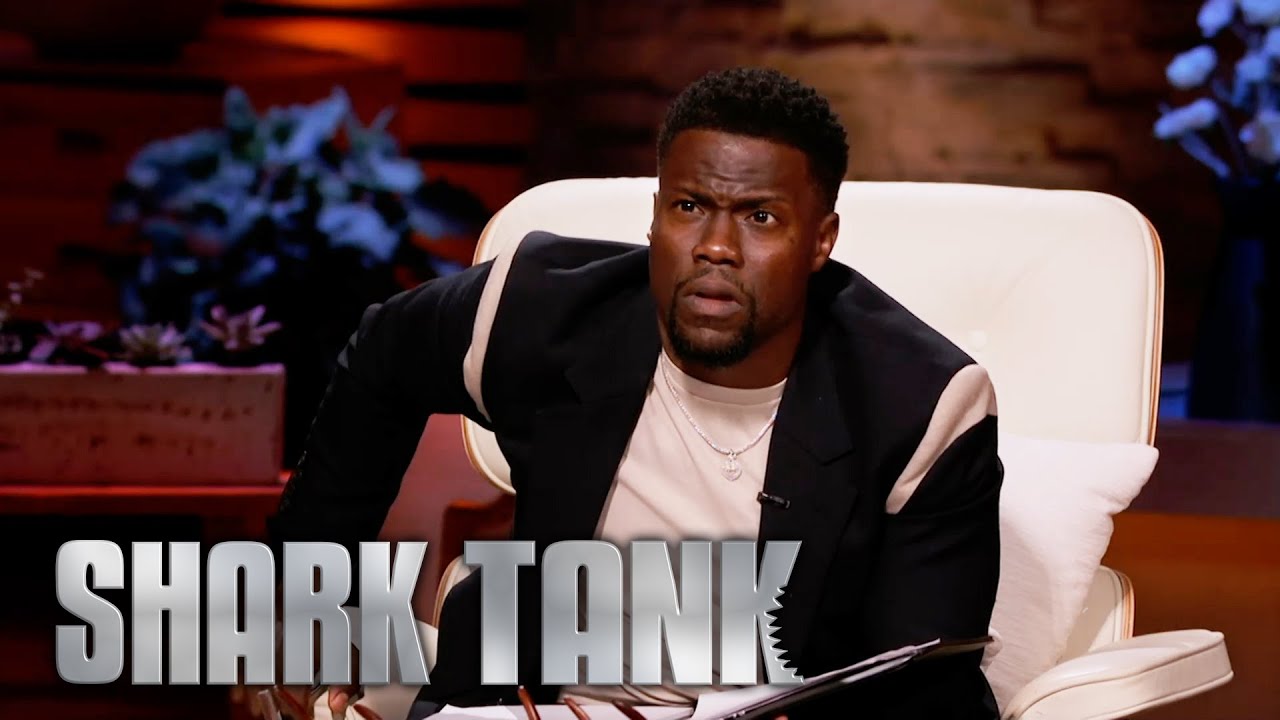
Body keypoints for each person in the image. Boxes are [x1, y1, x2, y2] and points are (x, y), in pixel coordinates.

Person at [265, 66, 1002, 719]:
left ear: (821, 240)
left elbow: (924, 687)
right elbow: (384, 355)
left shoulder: (920, 406)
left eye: (761, 217)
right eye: (690, 207)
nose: (716, 246)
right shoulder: (543, 311)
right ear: (655, 216)